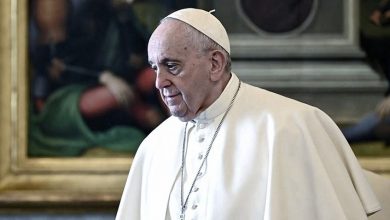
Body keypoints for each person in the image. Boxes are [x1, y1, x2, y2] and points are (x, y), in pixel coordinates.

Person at [116, 8, 382, 220]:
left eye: (171, 66)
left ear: (215, 64)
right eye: (154, 68)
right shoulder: (154, 146)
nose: (158, 83)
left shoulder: (289, 127)